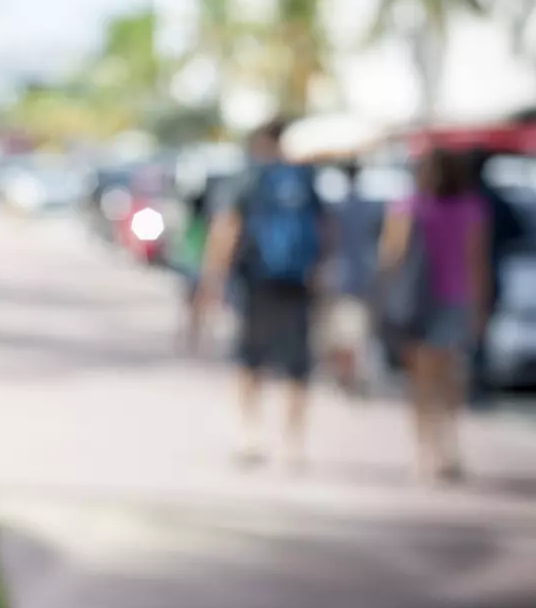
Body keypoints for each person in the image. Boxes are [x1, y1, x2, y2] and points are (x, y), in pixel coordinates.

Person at [201, 119, 328, 470]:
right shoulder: (305, 179)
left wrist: (212, 279)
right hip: (297, 282)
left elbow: (226, 228)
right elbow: (324, 232)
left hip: (256, 281)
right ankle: (292, 442)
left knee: (248, 359)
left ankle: (249, 434)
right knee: (296, 366)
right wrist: (321, 279)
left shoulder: (249, 178)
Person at [379, 149, 488, 483]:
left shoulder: (406, 206)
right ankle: (450, 449)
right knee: (449, 378)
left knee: (422, 382)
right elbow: (477, 262)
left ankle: (425, 452)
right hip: (456, 299)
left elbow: (389, 257)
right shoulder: (471, 208)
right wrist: (480, 307)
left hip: (417, 302)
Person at [467, 147, 525, 406]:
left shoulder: (470, 200)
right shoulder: (491, 199)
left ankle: (473, 383)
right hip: (485, 273)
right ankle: (474, 383)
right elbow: (517, 231)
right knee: (479, 332)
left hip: (467, 277)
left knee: (471, 333)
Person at [321, 161, 381, 396]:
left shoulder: (338, 206)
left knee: (343, 331)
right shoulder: (370, 207)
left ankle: (345, 375)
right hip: (361, 275)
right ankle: (348, 375)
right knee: (353, 331)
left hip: (340, 274)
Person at [173, 186, 212, 355]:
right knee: (200, 305)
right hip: (201, 268)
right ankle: (196, 336)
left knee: (191, 305)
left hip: (191, 268)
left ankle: (191, 336)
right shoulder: (207, 224)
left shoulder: (192, 224)